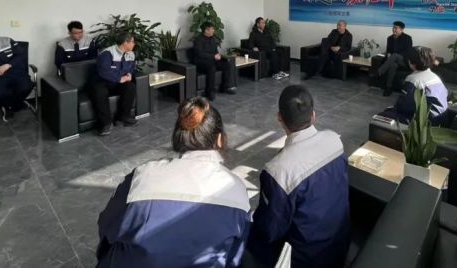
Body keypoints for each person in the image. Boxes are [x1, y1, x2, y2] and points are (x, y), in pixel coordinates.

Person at [96, 97, 250, 268]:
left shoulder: (142, 176)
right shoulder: (236, 189)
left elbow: (106, 226)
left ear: (178, 137)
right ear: (219, 139)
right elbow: (235, 254)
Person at [247, 85, 350, 268]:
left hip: (305, 260)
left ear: (280, 117)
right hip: (340, 245)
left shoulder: (278, 171)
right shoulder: (335, 140)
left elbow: (269, 231)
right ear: (313, 115)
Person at [91, 32, 138, 136]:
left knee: (130, 86)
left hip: (117, 82)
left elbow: (131, 67)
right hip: (102, 82)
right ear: (125, 43)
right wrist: (119, 79)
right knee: (99, 92)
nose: (134, 44)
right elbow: (103, 72)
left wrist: (129, 74)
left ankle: (123, 117)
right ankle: (105, 124)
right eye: (132, 42)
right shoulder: (107, 53)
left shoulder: (131, 54)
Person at [394, 46, 448, 124]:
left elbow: (403, 106)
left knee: (386, 114)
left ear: (411, 62)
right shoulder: (435, 77)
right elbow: (445, 94)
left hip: (425, 124)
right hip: (442, 118)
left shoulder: (413, 79)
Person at [192, 21, 236, 100]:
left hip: (212, 60)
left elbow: (215, 51)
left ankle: (225, 88)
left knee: (226, 65)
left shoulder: (212, 39)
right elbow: (200, 54)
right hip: (200, 62)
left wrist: (218, 55)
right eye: (212, 29)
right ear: (206, 30)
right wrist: (213, 56)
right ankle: (209, 92)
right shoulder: (198, 40)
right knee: (211, 67)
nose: (213, 30)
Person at [374, 20, 413, 96]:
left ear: (401, 29)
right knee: (393, 65)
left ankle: (379, 72)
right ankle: (388, 88)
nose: (393, 29)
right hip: (393, 60)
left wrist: (395, 56)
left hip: (404, 61)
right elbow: (388, 51)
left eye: (396, 28)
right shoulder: (390, 38)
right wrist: (389, 54)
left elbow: (408, 53)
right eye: (393, 28)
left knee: (395, 55)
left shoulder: (408, 38)